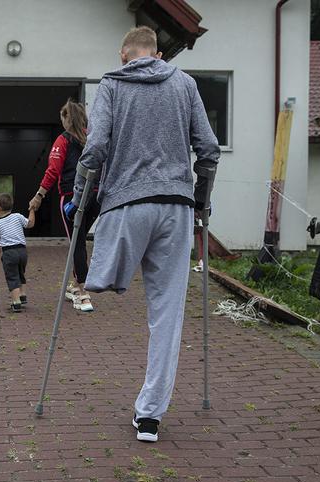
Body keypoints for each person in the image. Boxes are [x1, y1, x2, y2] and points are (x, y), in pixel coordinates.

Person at [68, 26, 220, 443]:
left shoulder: (113, 85)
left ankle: (100, 280)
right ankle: (149, 416)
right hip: (175, 206)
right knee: (167, 314)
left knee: (101, 280)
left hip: (126, 208)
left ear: (124, 55)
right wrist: (201, 202)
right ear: (156, 53)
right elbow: (207, 150)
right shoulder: (185, 84)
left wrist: (80, 202)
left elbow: (95, 149)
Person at [29, 100, 99, 312]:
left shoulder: (63, 140)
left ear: (68, 118)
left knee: (76, 242)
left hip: (72, 197)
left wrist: (39, 195)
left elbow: (53, 171)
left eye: (62, 118)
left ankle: (82, 292)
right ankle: (75, 284)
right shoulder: (93, 138)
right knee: (79, 240)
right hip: (96, 197)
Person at [0, 193, 35, 312]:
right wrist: (32, 210)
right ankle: (22, 295)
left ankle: (16, 302)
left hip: (9, 253)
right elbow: (30, 223)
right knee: (20, 273)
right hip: (22, 251)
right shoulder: (18, 216)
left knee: (12, 276)